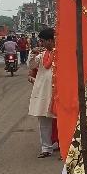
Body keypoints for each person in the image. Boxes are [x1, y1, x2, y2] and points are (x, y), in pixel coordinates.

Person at [28, 27, 57, 157]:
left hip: (56, 93)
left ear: (51, 41)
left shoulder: (61, 53)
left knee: (61, 121)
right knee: (43, 121)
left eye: (43, 41)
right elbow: (32, 66)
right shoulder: (41, 55)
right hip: (42, 93)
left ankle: (64, 147)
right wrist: (32, 54)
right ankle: (46, 148)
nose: (41, 44)